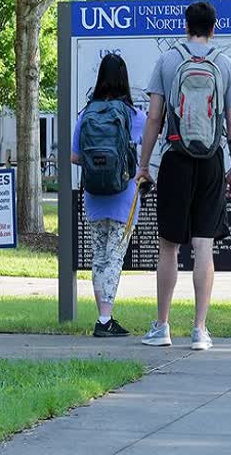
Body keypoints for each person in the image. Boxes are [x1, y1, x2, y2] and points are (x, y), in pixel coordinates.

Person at [136, 1, 231, 350]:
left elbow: (154, 117)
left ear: (186, 26)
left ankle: (162, 326)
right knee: (203, 246)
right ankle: (200, 329)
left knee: (168, 246)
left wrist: (144, 165)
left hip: (176, 158)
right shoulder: (225, 64)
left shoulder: (168, 61)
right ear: (214, 28)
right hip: (211, 161)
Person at [71, 53, 146, 337]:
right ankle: (104, 320)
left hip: (93, 196)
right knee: (114, 257)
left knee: (98, 256)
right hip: (123, 195)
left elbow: (75, 156)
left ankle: (104, 316)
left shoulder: (86, 113)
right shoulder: (132, 114)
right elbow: (152, 138)